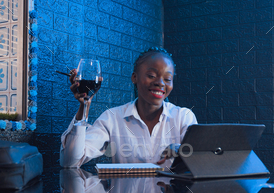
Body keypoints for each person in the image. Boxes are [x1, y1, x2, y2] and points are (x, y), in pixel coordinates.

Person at [60, 47, 197, 168]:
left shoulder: (184, 117)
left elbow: (199, 160)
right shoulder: (112, 118)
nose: (160, 83)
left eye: (167, 79)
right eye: (151, 76)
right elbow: (70, 162)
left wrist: (180, 150)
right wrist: (84, 107)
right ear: (134, 77)